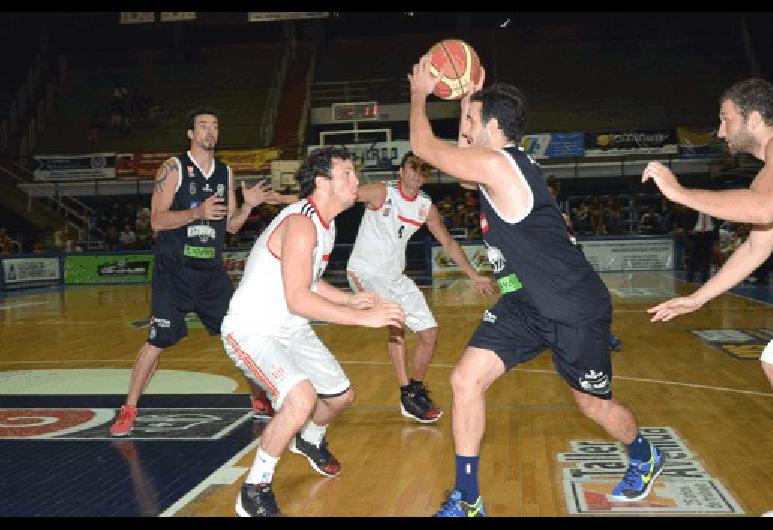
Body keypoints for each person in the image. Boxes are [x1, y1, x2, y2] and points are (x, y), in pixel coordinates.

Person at [408, 55, 665, 517]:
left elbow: (427, 149)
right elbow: (463, 168)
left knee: (592, 405)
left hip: (573, 306)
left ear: (491, 126)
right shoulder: (494, 164)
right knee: (465, 380)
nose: (462, 129)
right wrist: (467, 98)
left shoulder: (501, 165)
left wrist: (419, 93)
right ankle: (468, 499)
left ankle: (644, 454)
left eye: (469, 122)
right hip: (525, 303)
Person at [643, 78, 773, 517]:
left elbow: (761, 209)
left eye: (725, 118)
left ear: (753, 118)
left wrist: (679, 193)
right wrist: (699, 298)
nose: (719, 130)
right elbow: (757, 244)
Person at [222, 147, 405, 517]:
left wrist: (352, 301)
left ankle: (309, 440)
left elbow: (312, 281)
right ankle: (254, 488)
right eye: (347, 175)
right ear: (323, 183)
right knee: (301, 399)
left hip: (291, 328)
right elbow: (298, 298)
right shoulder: (302, 224)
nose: (356, 182)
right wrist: (362, 319)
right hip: (253, 329)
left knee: (341, 398)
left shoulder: (327, 222)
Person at [265, 151, 497, 423]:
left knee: (430, 333)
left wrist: (474, 275)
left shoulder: (425, 206)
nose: (416, 174)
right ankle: (406, 395)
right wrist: (281, 198)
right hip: (366, 272)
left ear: (426, 178)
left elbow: (448, 242)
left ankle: (416, 387)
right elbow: (333, 198)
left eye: (423, 171)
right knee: (395, 320)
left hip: (395, 276)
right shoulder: (380, 193)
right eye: (412, 168)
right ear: (402, 170)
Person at [109, 108, 274, 437]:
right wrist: (197, 211)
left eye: (214, 125)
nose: (210, 130)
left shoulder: (225, 173)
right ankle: (128, 409)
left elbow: (229, 227)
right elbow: (156, 220)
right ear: (190, 133)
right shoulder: (173, 167)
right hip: (175, 271)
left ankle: (258, 400)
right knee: (157, 341)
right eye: (203, 125)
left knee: (239, 335)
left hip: (211, 274)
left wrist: (248, 207)